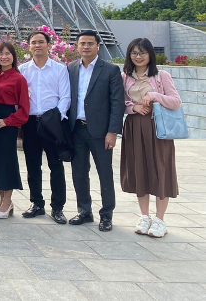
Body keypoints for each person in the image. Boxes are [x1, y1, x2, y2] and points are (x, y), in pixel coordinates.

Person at [120, 38, 181, 238]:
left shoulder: (161, 76)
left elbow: (176, 101)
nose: (138, 57)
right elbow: (119, 102)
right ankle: (144, 216)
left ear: (150, 55)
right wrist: (133, 107)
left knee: (160, 170)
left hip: (158, 129)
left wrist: (155, 96)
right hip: (134, 127)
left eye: (142, 53)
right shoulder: (124, 77)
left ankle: (160, 220)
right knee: (140, 170)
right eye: (134, 53)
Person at [67, 30, 124, 232]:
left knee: (104, 173)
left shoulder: (110, 70)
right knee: (79, 173)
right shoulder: (71, 68)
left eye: (90, 43)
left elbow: (117, 103)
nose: (86, 47)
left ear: (98, 46)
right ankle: (84, 211)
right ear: (77, 46)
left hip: (100, 132)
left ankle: (106, 214)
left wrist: (112, 132)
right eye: (82, 43)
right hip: (76, 129)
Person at [19, 31, 70, 224]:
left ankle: (57, 207)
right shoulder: (23, 70)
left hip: (52, 121)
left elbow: (65, 97)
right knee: (32, 165)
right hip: (30, 122)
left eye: (41, 42)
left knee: (55, 165)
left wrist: (57, 117)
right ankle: (37, 203)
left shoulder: (59, 69)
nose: (37, 45)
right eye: (34, 42)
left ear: (49, 45)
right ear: (29, 46)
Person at [0, 41, 29, 219]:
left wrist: (7, 121)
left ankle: (8, 200)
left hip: (6, 124)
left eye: (7, 53)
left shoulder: (19, 79)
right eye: (0, 53)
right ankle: (3, 201)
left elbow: (24, 109)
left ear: (13, 56)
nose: (4, 57)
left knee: (7, 162)